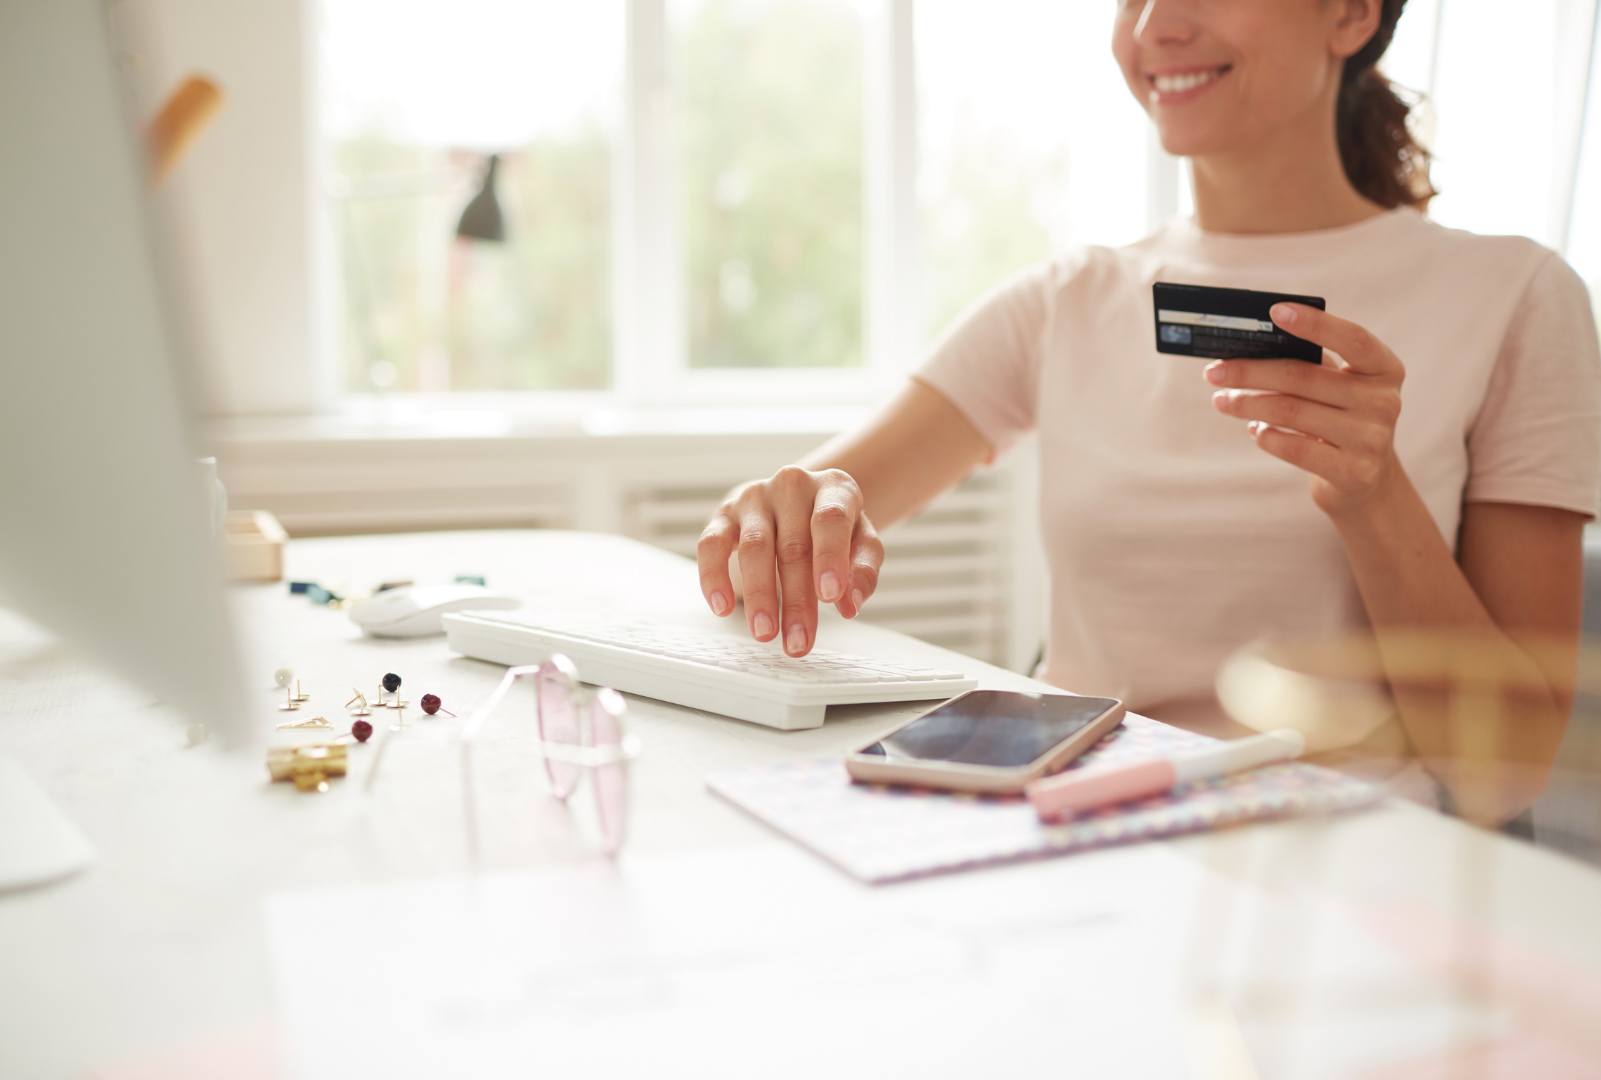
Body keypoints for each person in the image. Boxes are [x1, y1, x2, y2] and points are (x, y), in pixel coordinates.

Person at [695, 0, 1601, 825]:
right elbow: (826, 496)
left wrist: (1374, 497)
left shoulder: (1517, 297)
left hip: (1333, 872)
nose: (1155, 25)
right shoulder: (1065, 297)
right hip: (1060, 830)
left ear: (1351, 14)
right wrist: (790, 511)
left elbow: (1505, 776)